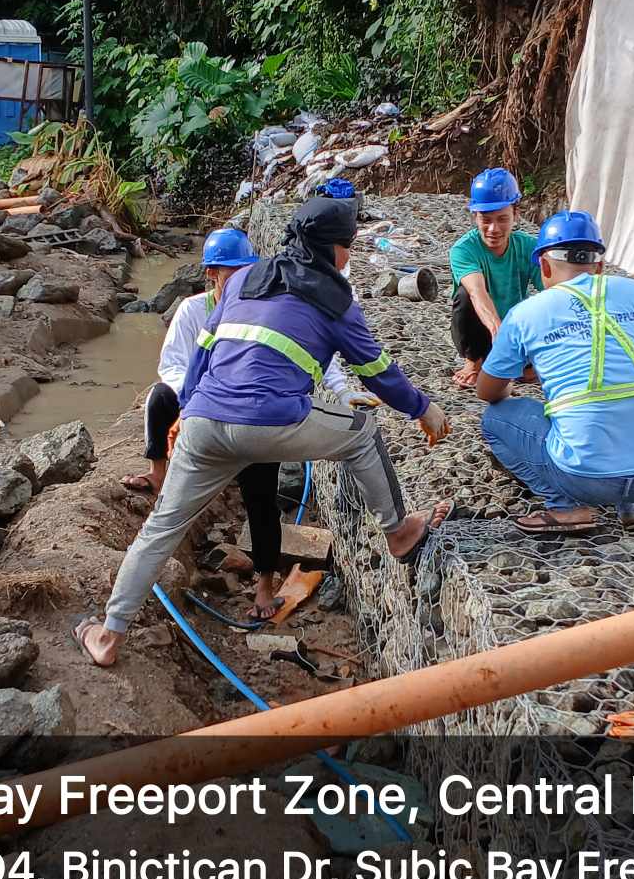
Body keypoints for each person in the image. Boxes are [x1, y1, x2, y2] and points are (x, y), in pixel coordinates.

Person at [76, 196, 451, 667]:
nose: (349, 257)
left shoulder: (245, 280)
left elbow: (202, 356)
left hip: (204, 424)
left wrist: (185, 413)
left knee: (160, 529)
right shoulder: (337, 301)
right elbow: (378, 374)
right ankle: (398, 532)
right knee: (361, 431)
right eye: (348, 247)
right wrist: (424, 408)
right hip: (271, 423)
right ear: (335, 249)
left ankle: (108, 636)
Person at [124, 227, 373, 619]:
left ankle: (263, 589)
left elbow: (316, 357)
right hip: (203, 412)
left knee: (260, 497)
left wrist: (343, 394)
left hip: (248, 415)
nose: (240, 279)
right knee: (160, 411)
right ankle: (157, 475)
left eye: (244, 270)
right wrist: (191, 405)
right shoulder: (194, 311)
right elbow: (177, 366)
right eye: (229, 273)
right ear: (212, 275)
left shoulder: (264, 304)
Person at [474, 211, 634, 535]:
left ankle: (565, 506)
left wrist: (512, 390)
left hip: (585, 478)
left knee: (494, 419)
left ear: (544, 266)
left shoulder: (525, 314)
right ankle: (633, 507)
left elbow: (486, 392)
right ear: (599, 265)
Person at [449, 167, 540, 387]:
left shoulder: (529, 246)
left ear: (516, 215)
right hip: (483, 330)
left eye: (502, 219)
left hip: (516, 328)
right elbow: (476, 292)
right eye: (486, 219)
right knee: (464, 295)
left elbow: (552, 290)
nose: (493, 228)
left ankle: (521, 364)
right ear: (475, 216)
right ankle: (474, 362)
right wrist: (498, 332)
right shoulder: (463, 249)